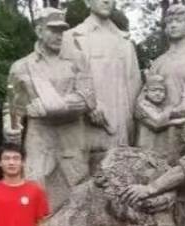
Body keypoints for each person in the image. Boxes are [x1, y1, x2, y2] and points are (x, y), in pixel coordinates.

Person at [4, 8, 95, 226]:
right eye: (53, 30)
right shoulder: (21, 67)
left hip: (71, 135)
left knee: (78, 189)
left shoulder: (77, 60)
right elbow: (13, 106)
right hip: (40, 136)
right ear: (39, 31)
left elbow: (88, 98)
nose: (59, 36)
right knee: (34, 187)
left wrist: (52, 107)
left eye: (61, 31)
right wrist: (11, 126)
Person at [60, 0, 141, 150]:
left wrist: (131, 123)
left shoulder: (124, 41)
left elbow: (134, 86)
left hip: (121, 129)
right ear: (87, 2)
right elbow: (65, 81)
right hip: (85, 126)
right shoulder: (71, 37)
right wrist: (88, 105)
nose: (106, 1)